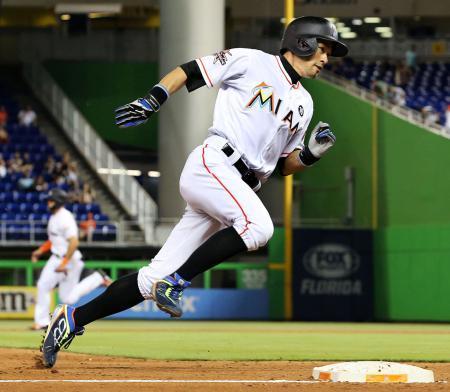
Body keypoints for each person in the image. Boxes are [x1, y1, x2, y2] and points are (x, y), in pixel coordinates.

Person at [40, 16, 347, 368]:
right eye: (323, 48)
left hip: (234, 189)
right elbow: (190, 70)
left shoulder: (304, 105)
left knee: (150, 279)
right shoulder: (251, 61)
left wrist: (308, 155)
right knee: (259, 227)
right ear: (303, 42)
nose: (326, 58)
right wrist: (153, 99)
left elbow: (280, 166)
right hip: (214, 164)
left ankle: (72, 319)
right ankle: (177, 282)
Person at [31, 189, 112, 331]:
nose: (49, 202)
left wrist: (64, 263)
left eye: (51, 200)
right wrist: (40, 250)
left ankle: (42, 321)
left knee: (43, 285)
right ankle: (97, 278)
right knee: (67, 298)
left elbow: (74, 242)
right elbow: (54, 240)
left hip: (67, 260)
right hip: (59, 257)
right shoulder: (54, 217)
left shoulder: (64, 217)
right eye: (49, 200)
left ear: (59, 201)